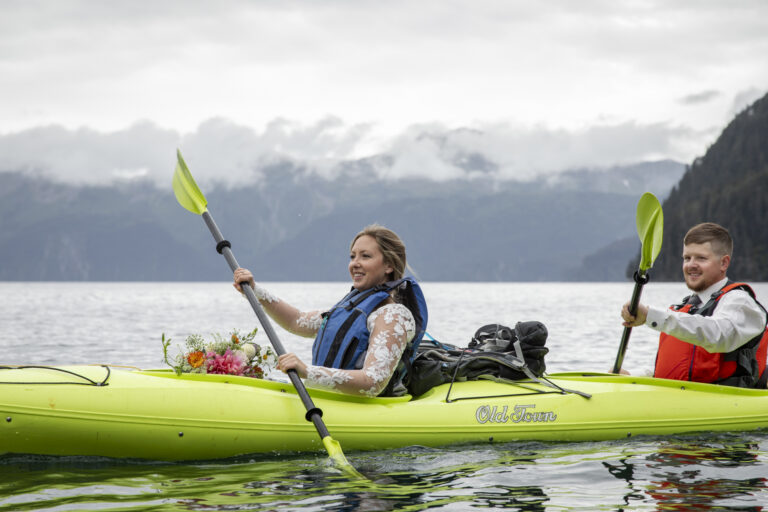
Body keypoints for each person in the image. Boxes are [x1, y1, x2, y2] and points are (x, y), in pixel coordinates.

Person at [233, 224, 427, 397]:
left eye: (365, 256)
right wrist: (254, 290)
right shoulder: (350, 308)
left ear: (389, 265)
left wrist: (307, 371)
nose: (355, 263)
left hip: (364, 409)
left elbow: (372, 382)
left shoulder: (392, 315)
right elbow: (296, 321)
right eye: (352, 256)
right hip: (326, 399)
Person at [620, 222, 768, 388]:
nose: (691, 265)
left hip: (726, 399)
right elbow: (676, 368)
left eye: (701, 258)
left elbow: (718, 335)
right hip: (682, 398)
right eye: (687, 258)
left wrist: (650, 315)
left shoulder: (740, 303)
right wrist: (632, 376)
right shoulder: (687, 307)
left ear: (724, 263)